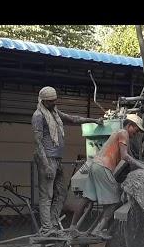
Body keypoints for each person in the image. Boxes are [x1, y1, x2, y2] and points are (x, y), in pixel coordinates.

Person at [32, 86, 103, 236]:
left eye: (55, 100)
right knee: (47, 196)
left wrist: (94, 120)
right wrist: (46, 166)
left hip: (56, 159)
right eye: (51, 101)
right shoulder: (38, 116)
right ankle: (46, 228)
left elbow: (73, 119)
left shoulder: (54, 112)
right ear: (43, 101)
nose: (53, 103)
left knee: (62, 193)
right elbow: (38, 143)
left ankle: (52, 223)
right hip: (47, 160)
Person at [69, 114, 144, 239]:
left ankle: (73, 228)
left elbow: (128, 154)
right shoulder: (124, 133)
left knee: (86, 199)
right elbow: (125, 156)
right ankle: (98, 230)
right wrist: (143, 166)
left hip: (94, 166)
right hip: (103, 168)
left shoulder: (117, 133)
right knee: (115, 201)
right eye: (136, 130)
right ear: (130, 125)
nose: (136, 133)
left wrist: (137, 162)